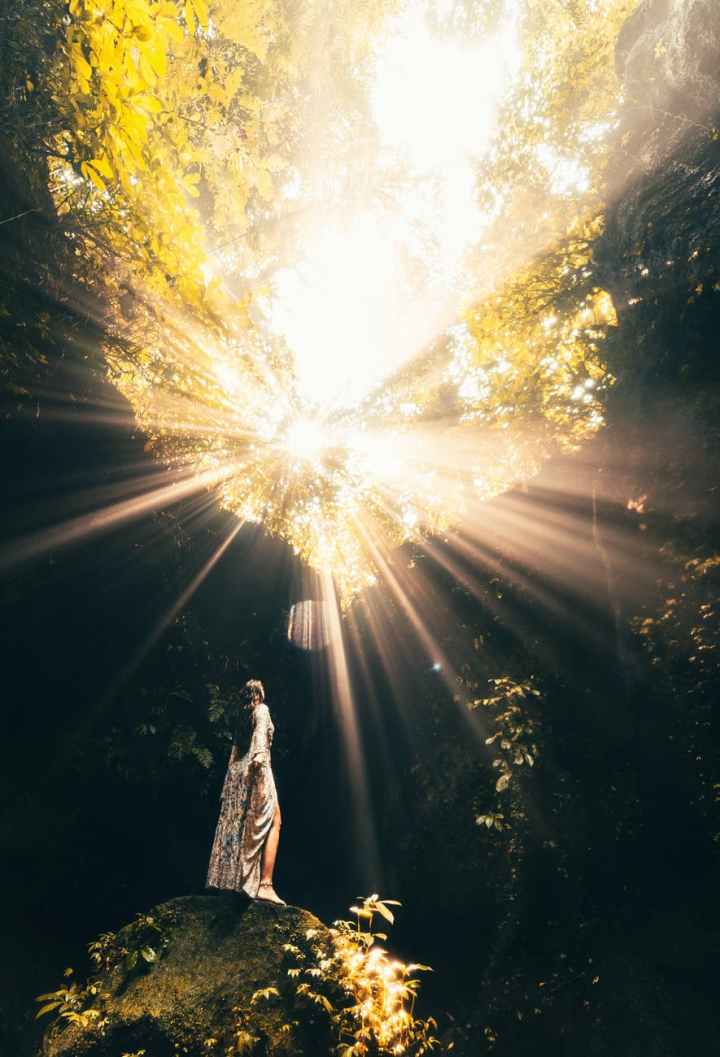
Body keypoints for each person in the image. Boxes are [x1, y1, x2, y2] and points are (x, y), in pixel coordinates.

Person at [206, 678, 285, 905]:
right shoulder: (261, 709)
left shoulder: (240, 717)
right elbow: (261, 735)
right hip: (256, 769)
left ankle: (232, 882)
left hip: (236, 775)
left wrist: (227, 787)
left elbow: (234, 752)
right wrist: (259, 757)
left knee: (240, 824)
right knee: (273, 821)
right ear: (259, 695)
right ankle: (265, 885)